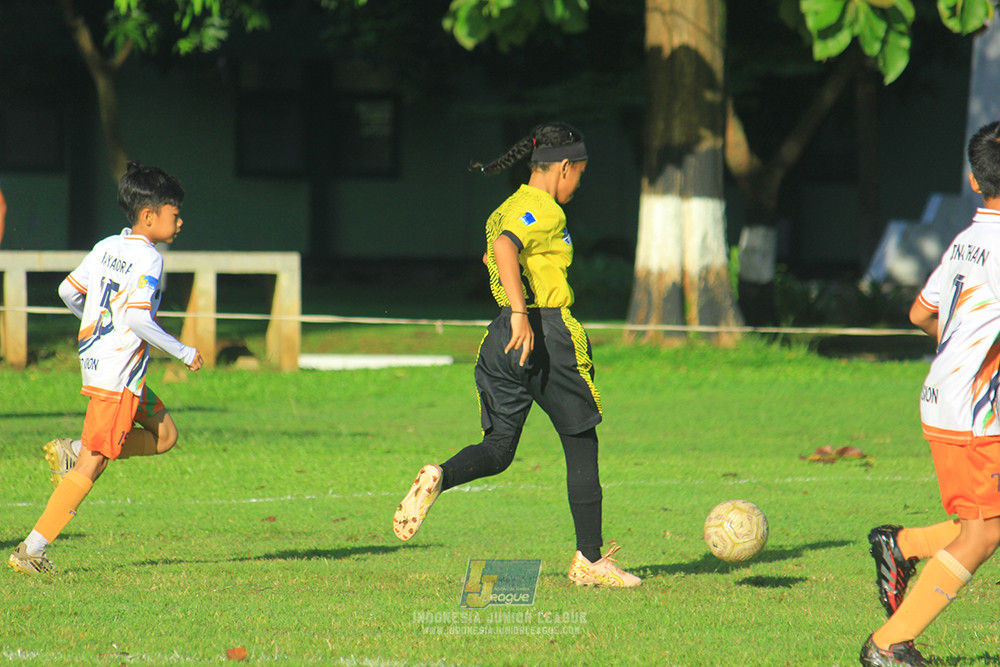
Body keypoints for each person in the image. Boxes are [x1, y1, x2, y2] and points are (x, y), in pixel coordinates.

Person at [392, 121, 640, 588]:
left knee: (499, 447)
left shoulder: (504, 208)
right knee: (581, 441)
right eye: (580, 173)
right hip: (542, 331)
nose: (579, 183)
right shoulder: (543, 209)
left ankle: (441, 474)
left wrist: (512, 310)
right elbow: (506, 249)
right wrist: (523, 312)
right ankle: (589, 560)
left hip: (501, 339)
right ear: (563, 167)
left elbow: (492, 255)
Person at [7, 161, 204, 576]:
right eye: (174, 213)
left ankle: (78, 448)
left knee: (165, 436)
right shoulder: (149, 259)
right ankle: (31, 550)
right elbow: (137, 318)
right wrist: (184, 352)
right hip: (118, 373)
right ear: (149, 216)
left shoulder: (106, 246)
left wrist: (97, 325)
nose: (180, 221)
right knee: (95, 463)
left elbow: (68, 291)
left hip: (107, 366)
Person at [860, 121, 1000, 666]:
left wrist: (960, 351)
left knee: (987, 524)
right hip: (976, 411)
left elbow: (921, 313)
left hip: (951, 397)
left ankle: (905, 546)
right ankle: (888, 645)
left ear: (974, 180)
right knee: (980, 535)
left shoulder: (967, 241)